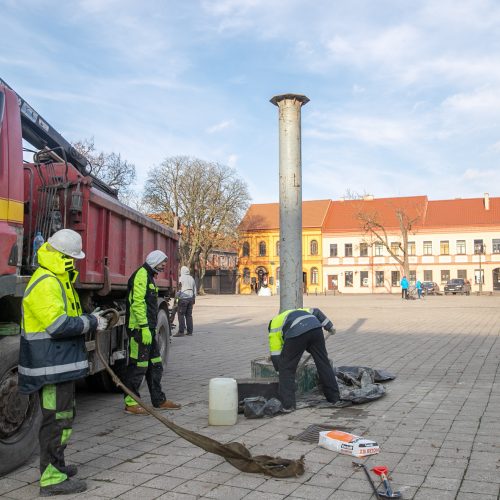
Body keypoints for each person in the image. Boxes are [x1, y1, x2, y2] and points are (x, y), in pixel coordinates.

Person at [18, 229, 108, 496]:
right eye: (73, 257)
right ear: (64, 256)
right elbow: (58, 325)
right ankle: (52, 478)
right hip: (50, 366)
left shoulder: (57, 278)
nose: (76, 262)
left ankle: (56, 465)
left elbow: (65, 316)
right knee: (56, 420)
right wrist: (91, 322)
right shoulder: (47, 281)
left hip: (57, 364)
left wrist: (88, 317)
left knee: (63, 418)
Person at [123, 250, 181, 415]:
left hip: (148, 330)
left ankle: (158, 400)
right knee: (138, 366)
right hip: (140, 331)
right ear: (155, 261)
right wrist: (143, 327)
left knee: (155, 364)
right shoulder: (141, 275)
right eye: (162, 262)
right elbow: (137, 303)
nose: (164, 265)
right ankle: (130, 403)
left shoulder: (149, 276)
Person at [268, 307, 348, 412]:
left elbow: (276, 354)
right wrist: (329, 326)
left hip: (297, 332)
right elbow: (316, 311)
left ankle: (288, 405)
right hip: (315, 328)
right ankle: (334, 398)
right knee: (323, 363)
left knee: (286, 368)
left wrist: (279, 369)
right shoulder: (292, 313)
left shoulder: (273, 330)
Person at [173, 266, 196, 337]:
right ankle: (190, 332)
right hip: (190, 299)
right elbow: (194, 289)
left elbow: (178, 291)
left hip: (183, 299)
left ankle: (181, 332)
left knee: (181, 315)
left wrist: (176, 301)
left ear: (182, 271)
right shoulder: (191, 278)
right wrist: (193, 299)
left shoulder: (181, 278)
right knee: (189, 315)